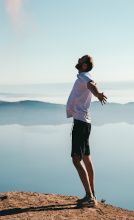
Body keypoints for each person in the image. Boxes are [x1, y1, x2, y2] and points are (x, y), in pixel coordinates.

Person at [66, 55, 107, 208]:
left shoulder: (85, 76)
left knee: (76, 159)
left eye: (81, 59)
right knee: (86, 158)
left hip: (81, 123)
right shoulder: (83, 76)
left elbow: (91, 86)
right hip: (84, 122)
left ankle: (89, 197)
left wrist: (97, 94)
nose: (78, 59)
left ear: (84, 65)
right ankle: (92, 194)